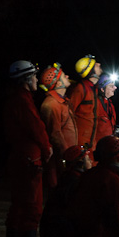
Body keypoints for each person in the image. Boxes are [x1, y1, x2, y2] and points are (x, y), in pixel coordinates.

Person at [3, 60, 54, 237]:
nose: (36, 79)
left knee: (18, 209)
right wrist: (47, 148)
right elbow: (36, 127)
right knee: (31, 210)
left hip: (19, 158)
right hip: (29, 159)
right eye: (33, 76)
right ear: (25, 80)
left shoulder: (14, 100)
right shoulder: (23, 102)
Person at [40, 145, 93, 237]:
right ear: (80, 163)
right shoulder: (77, 182)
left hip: (49, 232)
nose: (90, 161)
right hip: (60, 233)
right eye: (87, 158)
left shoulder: (66, 179)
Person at [38, 63, 79, 191]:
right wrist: (67, 157)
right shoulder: (51, 104)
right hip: (62, 161)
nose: (67, 76)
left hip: (69, 159)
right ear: (57, 83)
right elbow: (55, 135)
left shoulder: (62, 102)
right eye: (63, 75)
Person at [68, 55, 103, 149]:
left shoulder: (93, 89)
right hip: (80, 142)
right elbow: (70, 113)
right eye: (95, 65)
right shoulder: (81, 88)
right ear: (90, 71)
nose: (99, 64)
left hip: (91, 142)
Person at [91, 74, 118, 164]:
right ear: (102, 89)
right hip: (97, 151)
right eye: (111, 86)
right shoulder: (96, 104)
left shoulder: (110, 105)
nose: (115, 87)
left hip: (108, 150)